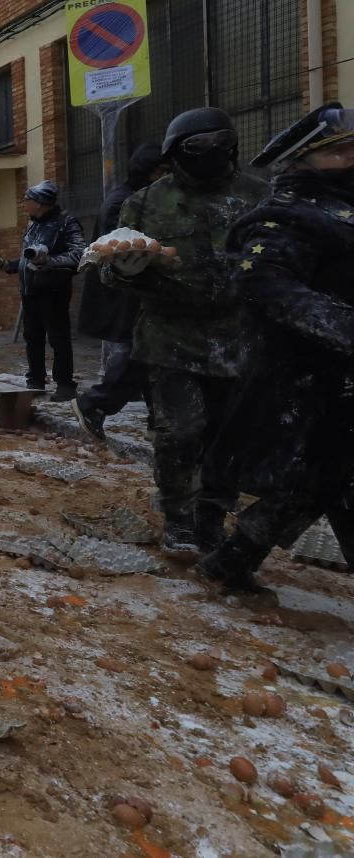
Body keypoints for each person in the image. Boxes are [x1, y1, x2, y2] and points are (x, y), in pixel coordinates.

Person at [195, 105, 354, 592]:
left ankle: (234, 558)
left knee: (308, 483)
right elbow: (267, 286)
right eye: (341, 151)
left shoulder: (340, 209)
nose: (352, 156)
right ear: (304, 163)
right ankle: (226, 549)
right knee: (334, 478)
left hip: (337, 385)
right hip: (309, 382)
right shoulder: (282, 219)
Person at [101, 107, 265, 558]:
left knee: (229, 436)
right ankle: (179, 516)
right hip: (170, 336)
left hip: (240, 339)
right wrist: (130, 270)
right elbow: (110, 272)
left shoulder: (259, 196)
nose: (213, 153)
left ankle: (211, 514)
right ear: (176, 154)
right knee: (181, 431)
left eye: (221, 142)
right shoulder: (146, 203)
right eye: (198, 146)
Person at [72, 144, 167, 439]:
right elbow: (120, 250)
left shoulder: (135, 197)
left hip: (134, 293)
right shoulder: (125, 202)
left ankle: (158, 418)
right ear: (149, 172)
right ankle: (94, 404)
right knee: (139, 354)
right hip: (125, 294)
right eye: (163, 173)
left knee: (151, 355)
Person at [4, 180, 85, 399]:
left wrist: (48, 261)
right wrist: (11, 265)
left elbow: (79, 255)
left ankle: (65, 383)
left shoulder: (66, 223)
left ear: (40, 203)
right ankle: (36, 380)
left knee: (58, 337)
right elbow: (27, 256)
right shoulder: (33, 225)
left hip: (53, 291)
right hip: (30, 290)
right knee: (32, 336)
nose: (24, 204)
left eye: (27, 200)